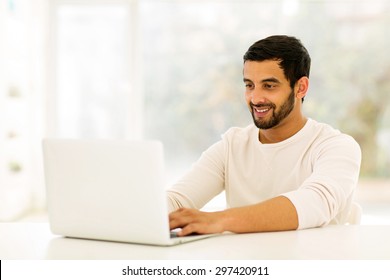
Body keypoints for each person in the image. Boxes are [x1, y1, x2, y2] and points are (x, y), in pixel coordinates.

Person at [167, 35, 361, 236]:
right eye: (249, 85)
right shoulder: (231, 146)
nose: (255, 98)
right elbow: (177, 200)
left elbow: (315, 202)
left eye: (269, 86)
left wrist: (220, 220)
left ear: (300, 87)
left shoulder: (336, 146)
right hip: (249, 266)